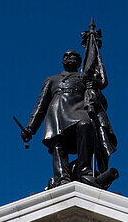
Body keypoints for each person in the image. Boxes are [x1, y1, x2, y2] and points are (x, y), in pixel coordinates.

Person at [22, 40, 117, 188]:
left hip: (78, 109)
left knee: (85, 125)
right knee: (58, 144)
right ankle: (62, 177)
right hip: (57, 112)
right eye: (66, 56)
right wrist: (30, 128)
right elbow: (40, 105)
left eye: (73, 57)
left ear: (79, 62)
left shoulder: (85, 79)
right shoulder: (52, 80)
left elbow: (100, 100)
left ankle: (84, 171)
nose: (69, 58)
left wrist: (94, 90)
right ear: (62, 61)